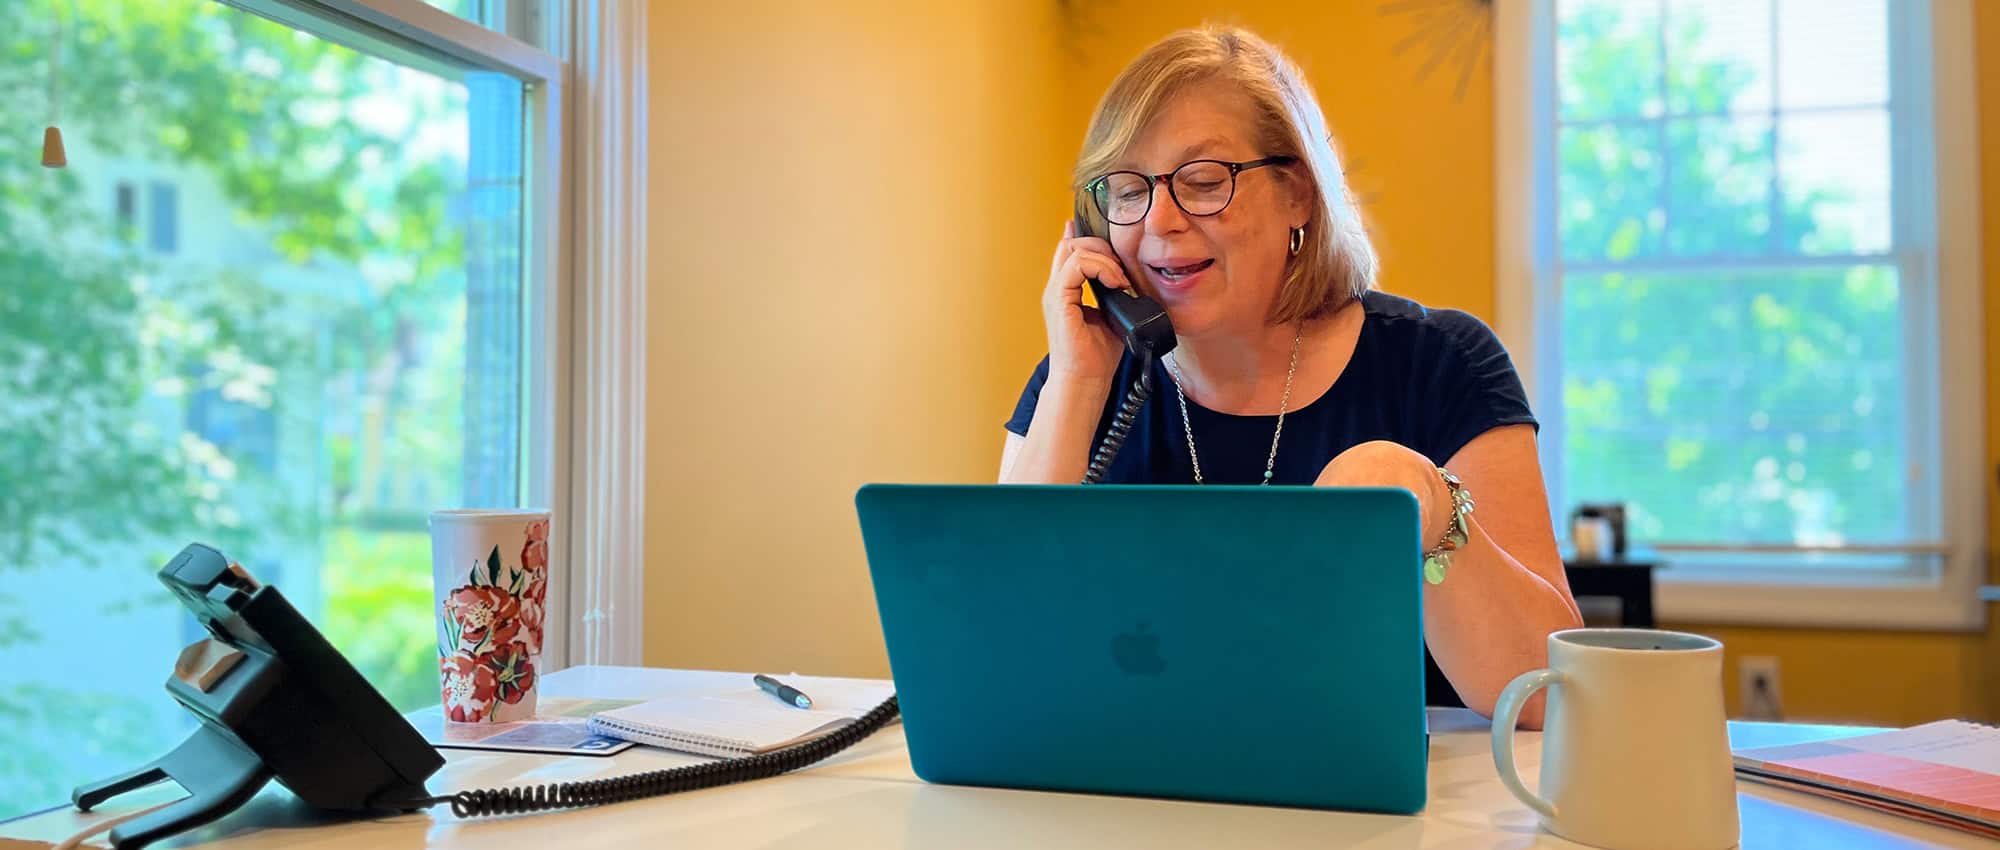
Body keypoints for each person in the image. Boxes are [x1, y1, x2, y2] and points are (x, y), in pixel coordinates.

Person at [998, 25, 1582, 725]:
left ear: (1298, 193)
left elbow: (1550, 696)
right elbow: (995, 659)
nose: (1158, 220)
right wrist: (1078, 387)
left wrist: (1428, 504)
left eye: (1204, 182)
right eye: (1126, 190)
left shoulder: (1439, 362)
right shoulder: (1079, 375)